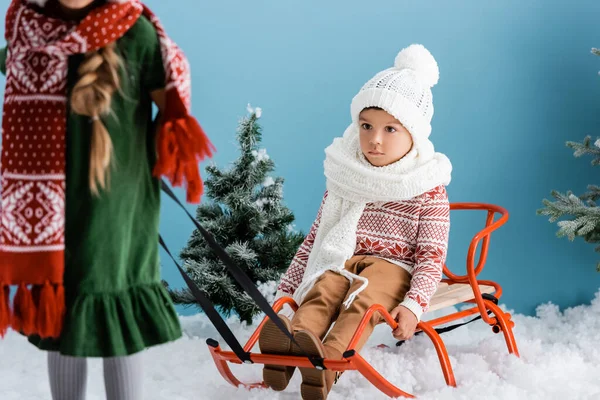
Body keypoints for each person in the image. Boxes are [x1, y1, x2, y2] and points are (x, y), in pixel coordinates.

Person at [0, 0, 213, 399]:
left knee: (119, 308)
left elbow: (172, 110)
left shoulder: (136, 32)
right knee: (63, 317)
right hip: (49, 211)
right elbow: (11, 65)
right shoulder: (28, 29)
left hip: (119, 211)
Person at [258, 44, 452, 400]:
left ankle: (326, 367)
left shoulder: (427, 188)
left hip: (395, 268)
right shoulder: (347, 176)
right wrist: (286, 291)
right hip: (344, 258)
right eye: (366, 126)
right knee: (324, 290)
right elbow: (316, 239)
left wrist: (412, 306)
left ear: (414, 134)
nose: (374, 140)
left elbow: (430, 258)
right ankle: (286, 353)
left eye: (390, 129)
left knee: (362, 303)